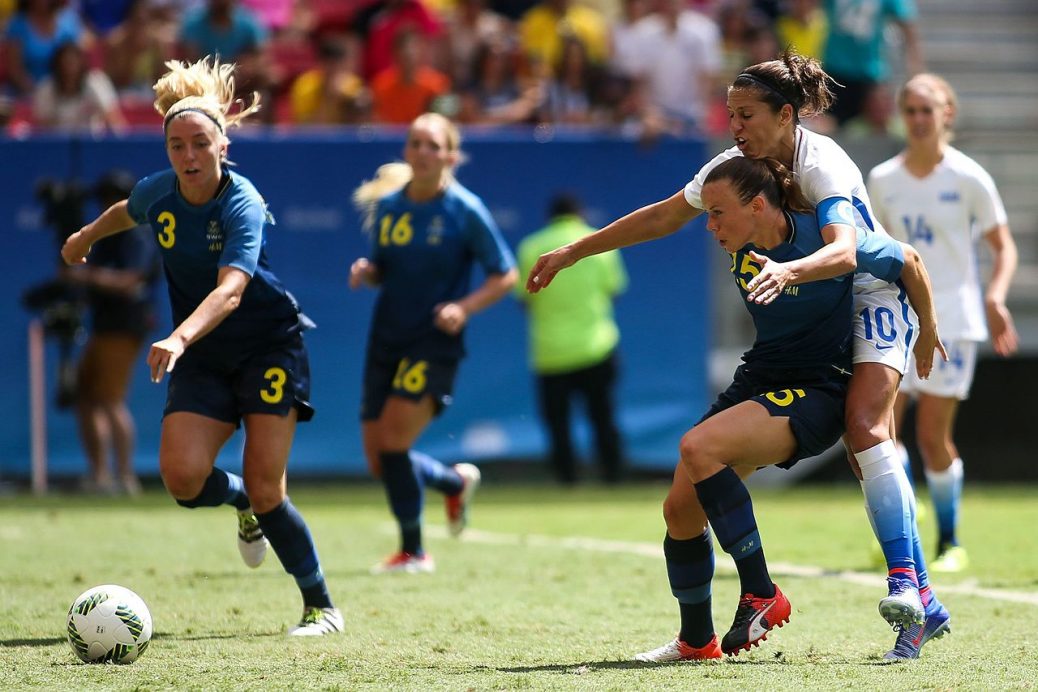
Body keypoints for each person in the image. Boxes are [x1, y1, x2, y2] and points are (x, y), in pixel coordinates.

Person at [526, 49, 950, 661]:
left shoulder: (823, 162)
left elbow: (846, 253)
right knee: (681, 503)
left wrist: (789, 273)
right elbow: (663, 217)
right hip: (796, 312)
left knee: (864, 428)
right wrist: (574, 251)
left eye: (746, 114)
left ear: (786, 115)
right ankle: (697, 640)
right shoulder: (733, 170)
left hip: (863, 282)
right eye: (729, 114)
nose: (735, 126)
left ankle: (908, 583)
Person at [60, 56, 343, 636]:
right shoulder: (160, 191)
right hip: (203, 352)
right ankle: (237, 502)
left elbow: (232, 291)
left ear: (222, 146)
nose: (188, 157)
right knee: (183, 480)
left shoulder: (241, 202)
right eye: (176, 146)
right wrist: (87, 235)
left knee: (271, 489)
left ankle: (321, 607)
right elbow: (128, 210)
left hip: (267, 345)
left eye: (199, 144)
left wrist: (179, 335)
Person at [349, 112, 518, 574]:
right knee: (380, 459)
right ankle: (452, 482)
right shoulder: (389, 207)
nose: (422, 151)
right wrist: (368, 271)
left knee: (393, 442)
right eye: (414, 142)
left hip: (433, 340)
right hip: (386, 337)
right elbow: (384, 266)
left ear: (449, 155)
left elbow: (505, 274)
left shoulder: (465, 209)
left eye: (432, 144)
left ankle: (413, 550)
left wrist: (463, 307)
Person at [870, 73, 1019, 574]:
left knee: (933, 436)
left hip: (953, 320)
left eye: (926, 110)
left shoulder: (969, 177)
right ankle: (902, 534)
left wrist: (996, 297)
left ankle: (950, 541)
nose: (917, 119)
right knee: (884, 431)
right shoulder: (883, 179)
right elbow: (874, 250)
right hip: (896, 319)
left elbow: (1004, 247)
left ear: (946, 114)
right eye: (909, 110)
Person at [516, 193, 627, 485]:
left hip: (550, 351)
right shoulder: (602, 243)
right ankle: (612, 476)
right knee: (603, 418)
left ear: (550, 218)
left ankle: (566, 480)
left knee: (558, 424)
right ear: (580, 214)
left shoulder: (530, 247)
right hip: (597, 346)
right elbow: (613, 291)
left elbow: (524, 299)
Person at [61, 170, 160, 495]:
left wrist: (86, 277)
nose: (103, 205)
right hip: (103, 324)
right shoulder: (108, 235)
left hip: (123, 325)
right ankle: (100, 475)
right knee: (87, 396)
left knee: (110, 399)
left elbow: (131, 279)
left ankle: (126, 477)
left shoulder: (137, 234)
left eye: (108, 198)